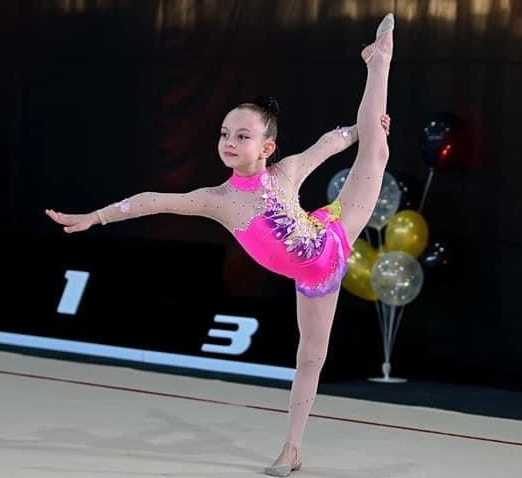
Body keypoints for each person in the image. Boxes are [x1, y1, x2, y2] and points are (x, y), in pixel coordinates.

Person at [46, 12, 395, 477]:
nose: (230, 142)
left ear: (266, 147)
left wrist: (359, 131)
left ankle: (379, 62)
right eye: (225, 134)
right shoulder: (218, 201)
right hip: (313, 276)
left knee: (376, 145)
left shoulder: (284, 172)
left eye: (243, 136)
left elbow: (327, 145)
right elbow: (154, 200)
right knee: (309, 356)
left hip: (333, 230)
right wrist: (96, 216)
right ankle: (292, 450)